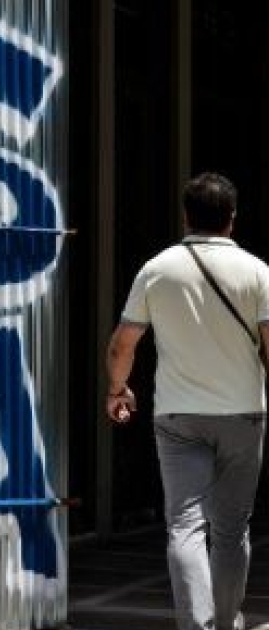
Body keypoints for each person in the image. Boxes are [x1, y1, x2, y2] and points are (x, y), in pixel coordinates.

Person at [106, 172, 269, 630]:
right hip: (243, 414)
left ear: (185, 216)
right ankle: (226, 622)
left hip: (177, 416)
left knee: (184, 526)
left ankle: (196, 626)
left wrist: (117, 390)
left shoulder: (157, 269)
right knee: (231, 529)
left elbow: (122, 345)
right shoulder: (258, 272)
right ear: (232, 218)